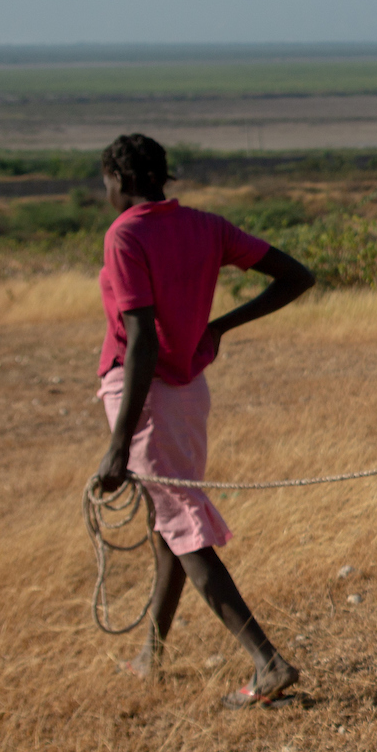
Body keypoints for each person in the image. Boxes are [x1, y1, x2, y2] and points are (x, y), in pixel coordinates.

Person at [91, 133, 315, 706]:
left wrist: (118, 447)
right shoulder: (207, 226)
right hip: (189, 390)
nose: (106, 193)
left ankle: (267, 663)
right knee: (173, 519)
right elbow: (296, 276)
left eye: (107, 183)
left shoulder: (126, 234)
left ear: (122, 179)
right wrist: (217, 327)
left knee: (181, 526)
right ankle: (152, 654)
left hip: (146, 394)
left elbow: (139, 339)